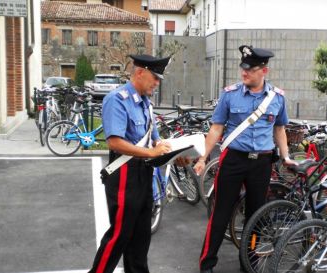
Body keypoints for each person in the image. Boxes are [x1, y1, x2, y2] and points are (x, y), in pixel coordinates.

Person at [193, 45, 296, 273]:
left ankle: (249, 263)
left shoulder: (277, 98)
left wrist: (286, 156)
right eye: (243, 68)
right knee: (221, 213)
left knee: (255, 216)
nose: (244, 73)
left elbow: (280, 130)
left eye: (250, 69)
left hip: (261, 163)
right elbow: (216, 128)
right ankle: (207, 264)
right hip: (234, 160)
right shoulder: (230, 94)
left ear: (264, 71)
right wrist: (203, 157)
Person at [88, 54, 173, 273]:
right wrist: (151, 152)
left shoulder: (146, 104)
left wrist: (174, 152)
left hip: (144, 174)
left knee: (141, 236)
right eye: (155, 77)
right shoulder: (117, 99)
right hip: (125, 174)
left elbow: (156, 139)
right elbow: (115, 142)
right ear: (140, 72)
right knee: (120, 235)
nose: (157, 83)